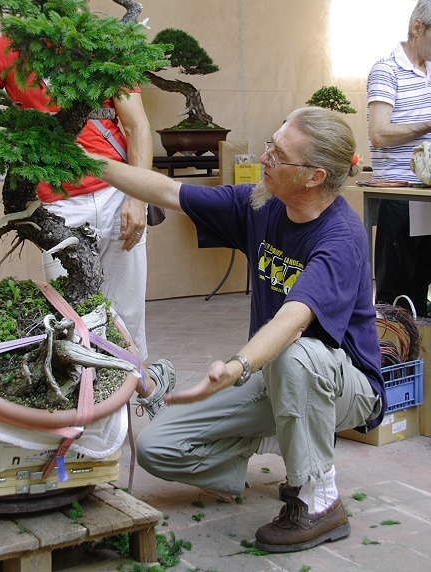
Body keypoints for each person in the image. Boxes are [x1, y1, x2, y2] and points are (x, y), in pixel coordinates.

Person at [84, 105, 386, 553]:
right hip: (274, 374)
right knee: (158, 447)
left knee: (295, 353)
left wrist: (239, 365)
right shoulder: (261, 205)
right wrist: (85, 161)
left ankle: (319, 498)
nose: (265, 157)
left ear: (314, 176)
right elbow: (168, 190)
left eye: (278, 155)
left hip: (345, 385)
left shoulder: (341, 236)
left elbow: (292, 320)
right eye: (270, 145)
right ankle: (284, 445)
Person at [0, 0, 174, 415]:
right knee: (71, 311)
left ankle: (131, 403)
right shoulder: (8, 48)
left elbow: (136, 125)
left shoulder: (100, 45)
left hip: (116, 191)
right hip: (56, 204)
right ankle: (83, 410)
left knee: (127, 310)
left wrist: (137, 198)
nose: (79, 5)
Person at [368, 0, 431, 316]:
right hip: (402, 195)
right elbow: (379, 133)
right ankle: (395, 347)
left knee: (423, 291)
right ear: (418, 27)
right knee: (398, 297)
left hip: (428, 196)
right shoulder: (387, 70)